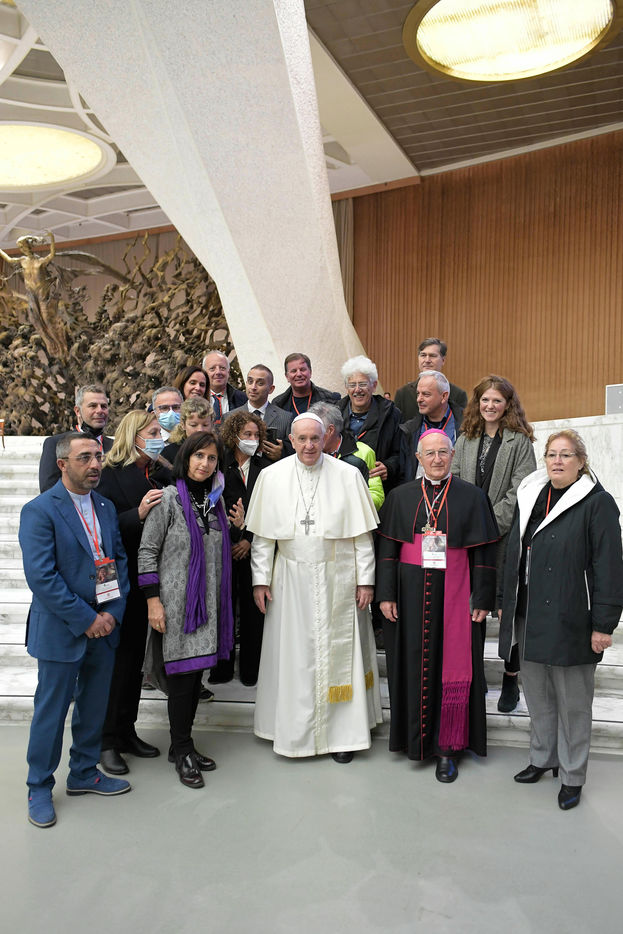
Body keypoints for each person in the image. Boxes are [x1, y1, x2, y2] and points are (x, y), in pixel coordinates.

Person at [246, 413, 382, 762]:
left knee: (339, 657)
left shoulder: (348, 475)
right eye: (302, 439)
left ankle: (343, 735)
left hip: (339, 578)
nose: (309, 446)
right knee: (295, 657)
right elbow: (263, 539)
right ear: (291, 440)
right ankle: (292, 730)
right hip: (289, 581)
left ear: (327, 438)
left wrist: (366, 580)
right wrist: (260, 580)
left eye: (315, 439)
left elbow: (362, 538)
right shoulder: (272, 476)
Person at [500, 430, 623, 811]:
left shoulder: (597, 502)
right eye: (551, 454)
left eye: (566, 455)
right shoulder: (531, 495)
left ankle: (572, 775)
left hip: (573, 615)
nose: (557, 461)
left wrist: (603, 624)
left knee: (573, 703)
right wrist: (506, 600)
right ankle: (543, 757)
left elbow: (609, 567)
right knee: (537, 694)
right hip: (529, 611)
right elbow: (514, 552)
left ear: (581, 462)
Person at [19, 432, 131, 828]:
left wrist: (112, 613)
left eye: (98, 456)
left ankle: (83, 772)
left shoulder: (104, 506)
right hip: (62, 630)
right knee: (51, 712)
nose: (96, 464)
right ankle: (38, 786)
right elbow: (42, 577)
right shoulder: (39, 511)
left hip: (104, 627)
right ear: (62, 464)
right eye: (85, 457)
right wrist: (87, 620)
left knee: (94, 706)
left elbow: (117, 561)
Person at [377, 429, 498, 783]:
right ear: (418, 458)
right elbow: (387, 551)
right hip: (409, 596)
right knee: (412, 665)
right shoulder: (400, 497)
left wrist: (483, 598)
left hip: (457, 594)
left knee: (452, 666)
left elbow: (484, 553)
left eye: (443, 452)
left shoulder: (472, 497)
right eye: (429, 453)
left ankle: (448, 749)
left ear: (453, 455)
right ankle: (413, 741)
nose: (437, 459)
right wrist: (387, 594)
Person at [137, 432, 245, 788]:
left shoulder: (216, 503)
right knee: (183, 681)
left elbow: (219, 550)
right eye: (199, 456)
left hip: (208, 608)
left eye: (212, 458)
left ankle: (182, 745)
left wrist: (239, 528)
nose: (205, 463)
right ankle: (181, 749)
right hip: (176, 608)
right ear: (186, 458)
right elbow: (147, 552)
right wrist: (153, 601)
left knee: (195, 678)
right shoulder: (167, 499)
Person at [452, 375, 536, 712]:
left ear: (507, 405)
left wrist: (488, 525)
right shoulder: (465, 438)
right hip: (469, 539)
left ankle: (510, 678)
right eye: (485, 400)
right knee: (471, 607)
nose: (490, 406)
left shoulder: (520, 442)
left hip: (505, 536)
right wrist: (470, 526)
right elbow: (455, 480)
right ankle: (473, 674)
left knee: (506, 609)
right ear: (477, 403)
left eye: (497, 401)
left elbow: (522, 490)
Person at [96, 410, 172, 775]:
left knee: (133, 663)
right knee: (117, 665)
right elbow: (99, 528)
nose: (160, 438)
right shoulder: (109, 474)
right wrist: (137, 514)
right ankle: (106, 740)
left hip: (148, 579)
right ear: (133, 435)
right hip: (117, 580)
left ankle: (127, 730)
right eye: (153, 432)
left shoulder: (157, 473)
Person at [210, 411, 273, 685]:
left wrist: (248, 537)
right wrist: (234, 533)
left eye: (256, 435)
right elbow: (212, 505)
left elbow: (272, 509)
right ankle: (221, 669)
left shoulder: (267, 468)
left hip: (255, 547)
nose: (252, 439)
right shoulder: (219, 465)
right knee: (223, 608)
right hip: (224, 546)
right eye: (247, 434)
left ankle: (251, 670)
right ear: (234, 435)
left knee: (253, 610)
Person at [337, 355, 403, 492]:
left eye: (363, 384)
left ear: (374, 386)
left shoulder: (391, 414)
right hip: (341, 487)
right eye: (352, 385)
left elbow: (401, 453)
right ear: (346, 388)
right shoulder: (335, 414)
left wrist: (388, 467)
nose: (357, 390)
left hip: (377, 489)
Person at [309, 401, 384, 510]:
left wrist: (346, 503)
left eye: (315, 433)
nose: (310, 440)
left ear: (330, 430)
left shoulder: (363, 452)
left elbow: (377, 497)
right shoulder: (309, 452)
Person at [39, 383, 112, 492]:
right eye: (93, 406)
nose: (100, 410)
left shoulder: (115, 446)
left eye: (104, 406)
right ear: (78, 411)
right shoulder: (55, 443)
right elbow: (48, 490)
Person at [399, 371, 463, 482]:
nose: (419, 399)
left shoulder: (467, 427)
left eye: (426, 394)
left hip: (455, 488)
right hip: (419, 489)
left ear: (444, 396)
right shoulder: (408, 430)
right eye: (418, 394)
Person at [227, 363, 293, 461]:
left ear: (271, 389)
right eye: (250, 382)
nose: (253, 387)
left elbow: (294, 453)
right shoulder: (229, 417)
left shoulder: (286, 418)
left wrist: (282, 454)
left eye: (260, 383)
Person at [394, 338, 468, 420]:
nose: (427, 360)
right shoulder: (403, 394)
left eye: (432, 356)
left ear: (443, 360)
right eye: (423, 355)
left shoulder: (458, 395)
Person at [271, 352, 340, 416]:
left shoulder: (330, 399)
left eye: (302, 369)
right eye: (294, 371)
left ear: (310, 372)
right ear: (287, 377)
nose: (299, 374)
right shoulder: (278, 404)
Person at [162, 396, 215, 464]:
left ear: (212, 424)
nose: (200, 430)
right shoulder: (168, 453)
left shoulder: (218, 449)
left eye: (205, 425)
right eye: (193, 425)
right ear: (183, 425)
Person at [202, 350, 247, 424]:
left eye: (222, 368)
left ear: (228, 372)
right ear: (204, 373)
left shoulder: (243, 399)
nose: (218, 372)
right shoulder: (197, 398)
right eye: (212, 368)